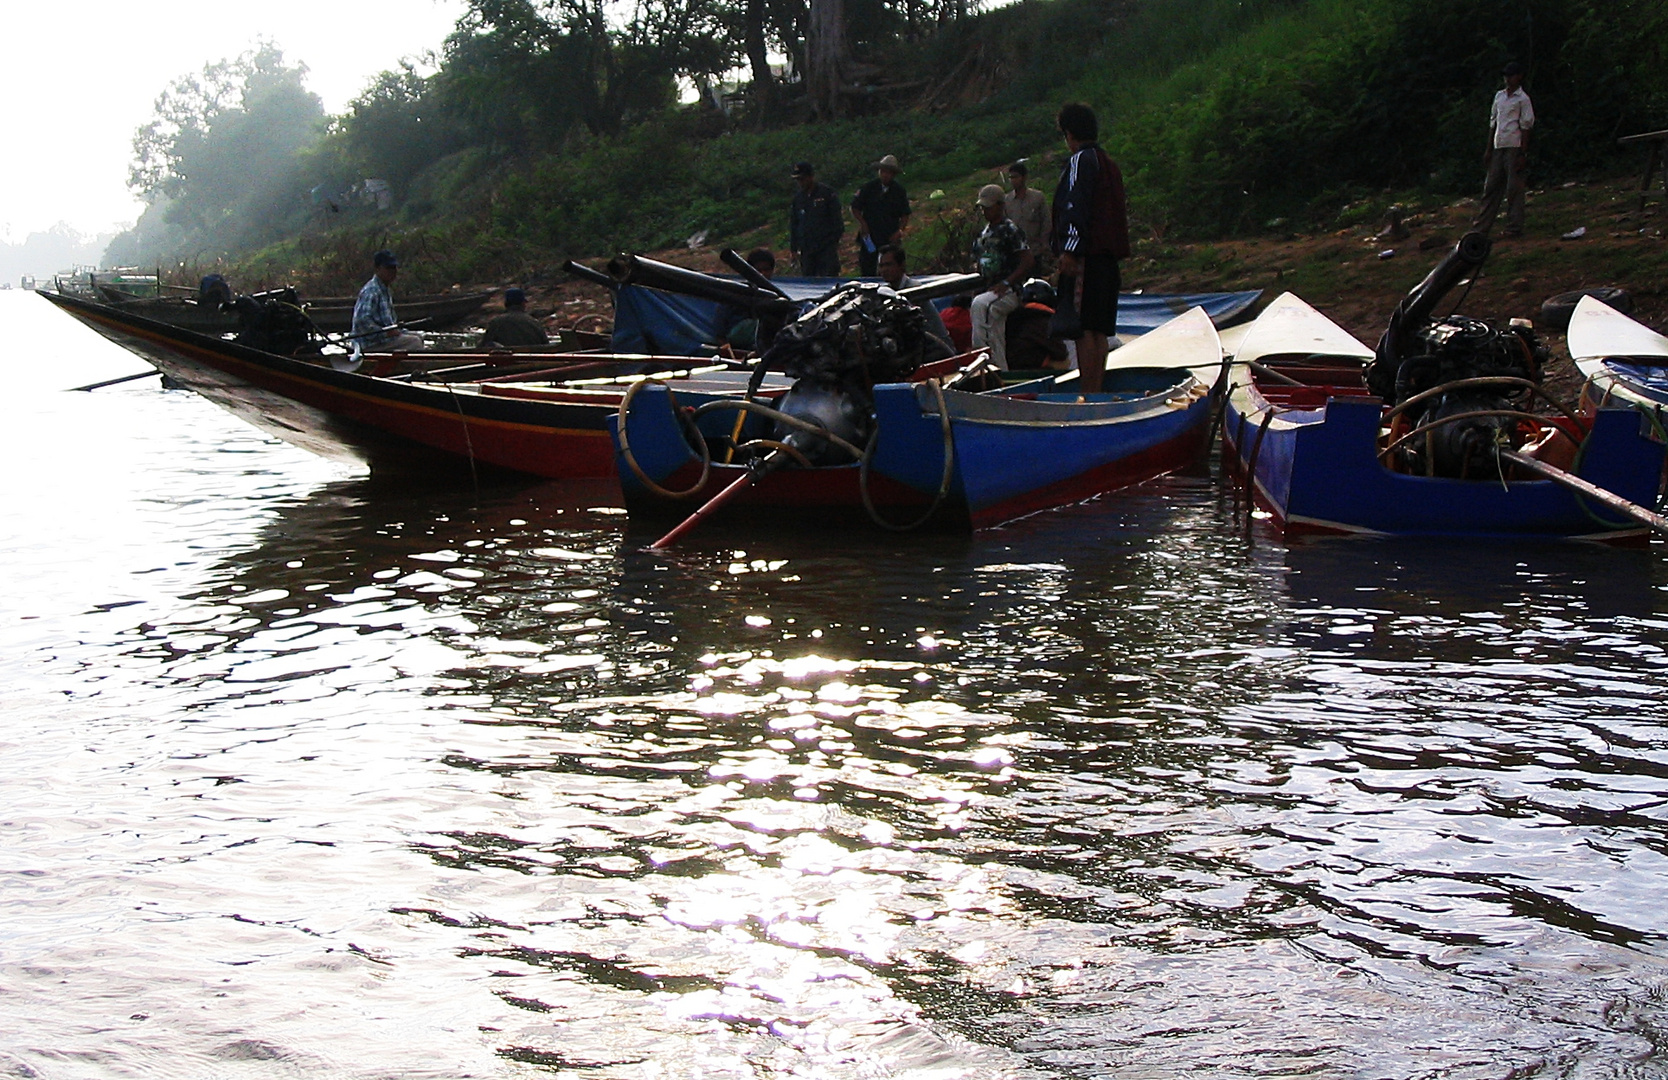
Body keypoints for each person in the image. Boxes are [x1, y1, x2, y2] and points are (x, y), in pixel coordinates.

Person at [1052, 102, 1130, 394]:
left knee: (1083, 329)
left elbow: (1075, 206)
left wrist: (1069, 250)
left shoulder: (1080, 162)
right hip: (1108, 257)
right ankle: (1095, 392)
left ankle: (1088, 394)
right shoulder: (1107, 163)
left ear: (1070, 134)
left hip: (1087, 255)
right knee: (1098, 330)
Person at [970, 184, 1035, 371]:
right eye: (982, 208)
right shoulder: (984, 233)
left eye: (988, 207)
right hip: (988, 288)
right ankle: (992, 366)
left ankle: (988, 362)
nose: (985, 212)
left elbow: (1027, 260)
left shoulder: (1010, 229)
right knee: (988, 318)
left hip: (1009, 290)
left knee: (983, 306)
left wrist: (1008, 282)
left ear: (1000, 205)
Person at [1473, 61, 1535, 238]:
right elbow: (1493, 122)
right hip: (1498, 145)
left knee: (1513, 188)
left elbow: (1526, 126)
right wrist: (1489, 148)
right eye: (1506, 76)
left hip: (1514, 145)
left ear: (1519, 77)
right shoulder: (1499, 97)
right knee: (1491, 187)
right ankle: (1481, 227)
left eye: (1511, 76)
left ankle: (1514, 227)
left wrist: (1523, 152)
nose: (1508, 79)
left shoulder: (1523, 99)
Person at [875, 244, 951, 349]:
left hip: (936, 349)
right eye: (881, 266)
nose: (884, 270)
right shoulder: (885, 291)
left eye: (888, 265)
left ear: (902, 265)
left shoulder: (914, 290)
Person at [850, 154, 911, 277]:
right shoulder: (869, 188)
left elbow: (905, 214)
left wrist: (899, 231)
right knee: (868, 267)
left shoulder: (899, 191)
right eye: (883, 172)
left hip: (889, 236)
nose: (885, 175)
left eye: (888, 173)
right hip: (870, 235)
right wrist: (863, 224)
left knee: (889, 266)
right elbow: (855, 208)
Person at [351, 250, 423, 352]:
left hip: (383, 340)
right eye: (388, 268)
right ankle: (410, 367)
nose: (392, 271)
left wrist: (398, 331)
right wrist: (385, 333)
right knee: (414, 342)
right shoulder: (372, 290)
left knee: (419, 336)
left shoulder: (384, 290)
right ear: (377, 269)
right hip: (369, 344)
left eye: (394, 268)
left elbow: (390, 324)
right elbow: (362, 321)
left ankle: (399, 365)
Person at [713, 248, 784, 350]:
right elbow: (720, 319)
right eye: (758, 270)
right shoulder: (738, 291)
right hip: (739, 332)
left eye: (766, 270)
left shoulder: (775, 293)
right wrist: (723, 343)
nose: (762, 274)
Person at [789, 162, 843, 277]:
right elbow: (794, 224)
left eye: (802, 179)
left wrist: (831, 243)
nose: (800, 183)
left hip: (825, 249)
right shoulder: (798, 199)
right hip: (807, 250)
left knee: (829, 278)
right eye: (798, 180)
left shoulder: (827, 194)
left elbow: (837, 222)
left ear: (811, 177)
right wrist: (794, 248)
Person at [479, 288, 550, 348]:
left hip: (508, 362)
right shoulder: (534, 323)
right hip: (533, 361)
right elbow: (546, 346)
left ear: (506, 304)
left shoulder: (496, 323)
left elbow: (482, 347)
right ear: (523, 304)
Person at [1004, 161, 1049, 252]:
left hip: (1035, 249)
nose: (1013, 180)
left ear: (1024, 178)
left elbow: (1046, 221)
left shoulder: (1037, 197)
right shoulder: (1007, 200)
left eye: (1015, 177)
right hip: (1015, 251)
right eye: (1010, 177)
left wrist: (1044, 244)